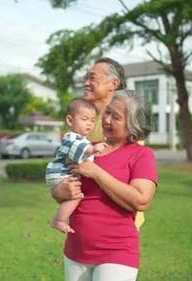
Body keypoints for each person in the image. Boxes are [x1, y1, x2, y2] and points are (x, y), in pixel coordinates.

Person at [62, 91, 157, 280]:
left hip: (117, 252)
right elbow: (61, 186)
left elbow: (141, 200)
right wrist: (59, 191)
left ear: (133, 126)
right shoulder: (87, 147)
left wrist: (96, 172)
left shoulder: (141, 154)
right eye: (107, 112)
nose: (106, 120)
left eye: (116, 117)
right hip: (76, 249)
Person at [51, 57, 146, 229]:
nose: (86, 83)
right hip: (82, 225)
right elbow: (64, 169)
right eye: (86, 78)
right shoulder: (82, 123)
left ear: (113, 84)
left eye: (92, 78)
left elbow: (137, 192)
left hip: (119, 226)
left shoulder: (128, 127)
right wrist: (58, 191)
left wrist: (94, 171)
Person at [46, 98, 108, 234]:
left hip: (62, 173)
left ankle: (59, 219)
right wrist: (93, 149)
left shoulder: (82, 139)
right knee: (76, 197)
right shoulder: (71, 137)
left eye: (92, 120)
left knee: (75, 196)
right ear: (70, 120)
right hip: (61, 173)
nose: (89, 124)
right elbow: (80, 148)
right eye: (84, 119)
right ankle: (59, 220)